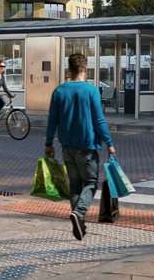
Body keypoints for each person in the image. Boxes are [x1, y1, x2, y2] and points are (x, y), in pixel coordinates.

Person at [43, 52, 114, 240]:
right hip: (87, 147)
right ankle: (79, 213)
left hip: (66, 147)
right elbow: (99, 120)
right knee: (90, 183)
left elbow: (52, 121)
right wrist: (109, 143)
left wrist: (49, 143)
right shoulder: (91, 91)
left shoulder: (59, 91)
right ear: (85, 68)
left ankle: (79, 222)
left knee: (74, 185)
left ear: (69, 69)